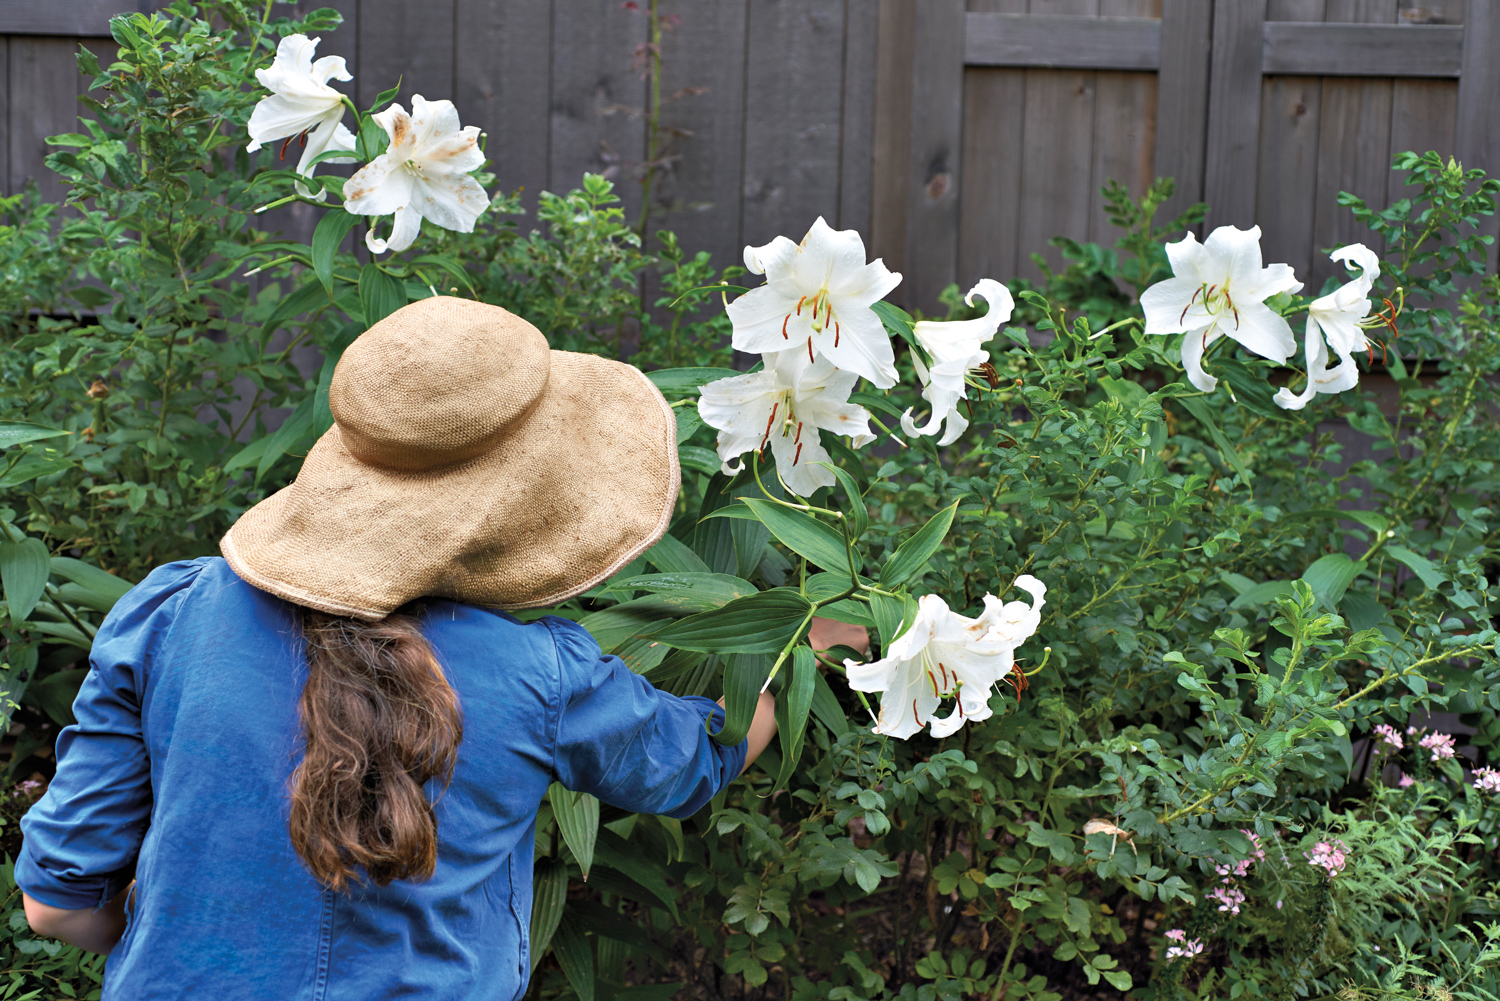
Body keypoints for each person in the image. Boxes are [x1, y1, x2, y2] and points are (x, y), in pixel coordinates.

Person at [16, 297, 777, 999]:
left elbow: (54, 906)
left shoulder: (170, 614)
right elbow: (696, 761)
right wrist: (781, 659)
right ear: (523, 491)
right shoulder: (541, 674)